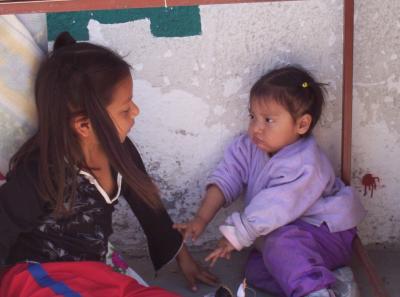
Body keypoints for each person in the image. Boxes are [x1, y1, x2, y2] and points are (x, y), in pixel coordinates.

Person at [0, 31, 217, 297]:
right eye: (125, 109)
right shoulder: (41, 170)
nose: (136, 111)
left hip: (95, 274)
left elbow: (150, 207)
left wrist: (185, 259)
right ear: (84, 125)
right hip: (38, 276)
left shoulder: (120, 151)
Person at [174, 65, 366, 297]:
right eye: (252, 116)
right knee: (256, 271)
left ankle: (316, 292)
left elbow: (274, 206)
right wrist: (201, 218)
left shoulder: (306, 162)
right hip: (287, 233)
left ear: (301, 124)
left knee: (280, 246)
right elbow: (227, 177)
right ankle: (334, 282)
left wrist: (236, 235)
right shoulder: (248, 147)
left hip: (326, 234)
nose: (256, 128)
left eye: (268, 120)